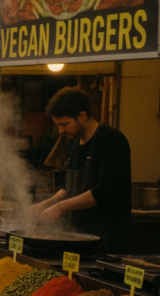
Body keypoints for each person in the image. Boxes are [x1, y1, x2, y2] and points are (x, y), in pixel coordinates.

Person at [31, 87, 132, 253]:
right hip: (78, 237)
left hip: (105, 240)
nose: (61, 131)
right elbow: (67, 187)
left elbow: (104, 191)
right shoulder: (73, 143)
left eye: (64, 124)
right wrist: (46, 204)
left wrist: (60, 207)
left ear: (82, 116)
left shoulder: (112, 140)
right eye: (58, 125)